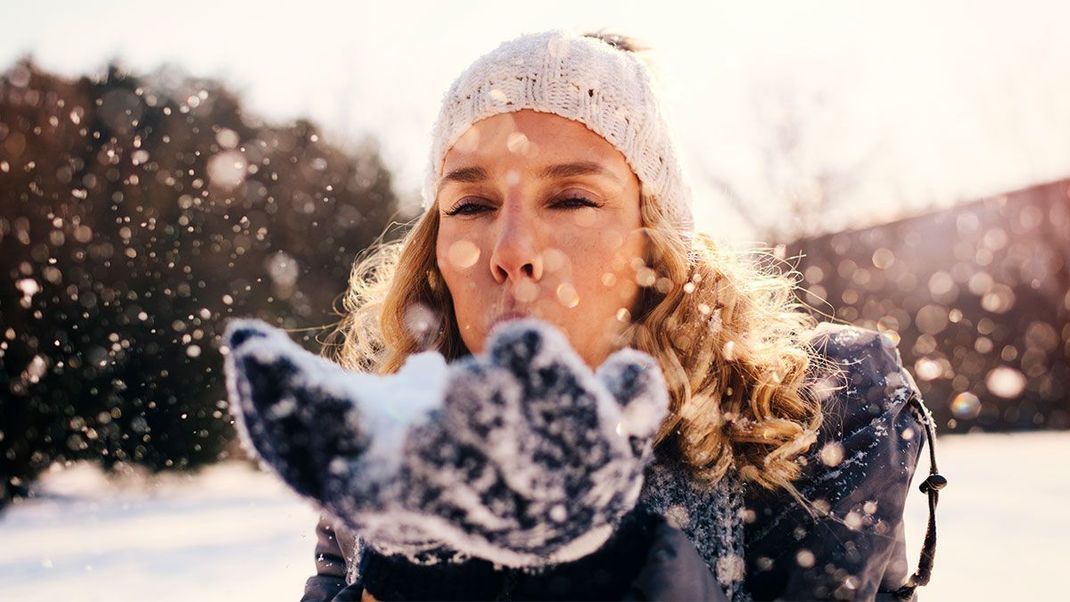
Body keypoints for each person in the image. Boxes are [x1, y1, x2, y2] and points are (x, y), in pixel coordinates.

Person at [296, 29, 943, 601]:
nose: (512, 249)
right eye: (470, 206)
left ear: (653, 243)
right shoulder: (378, 462)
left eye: (572, 198)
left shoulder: (807, 429)